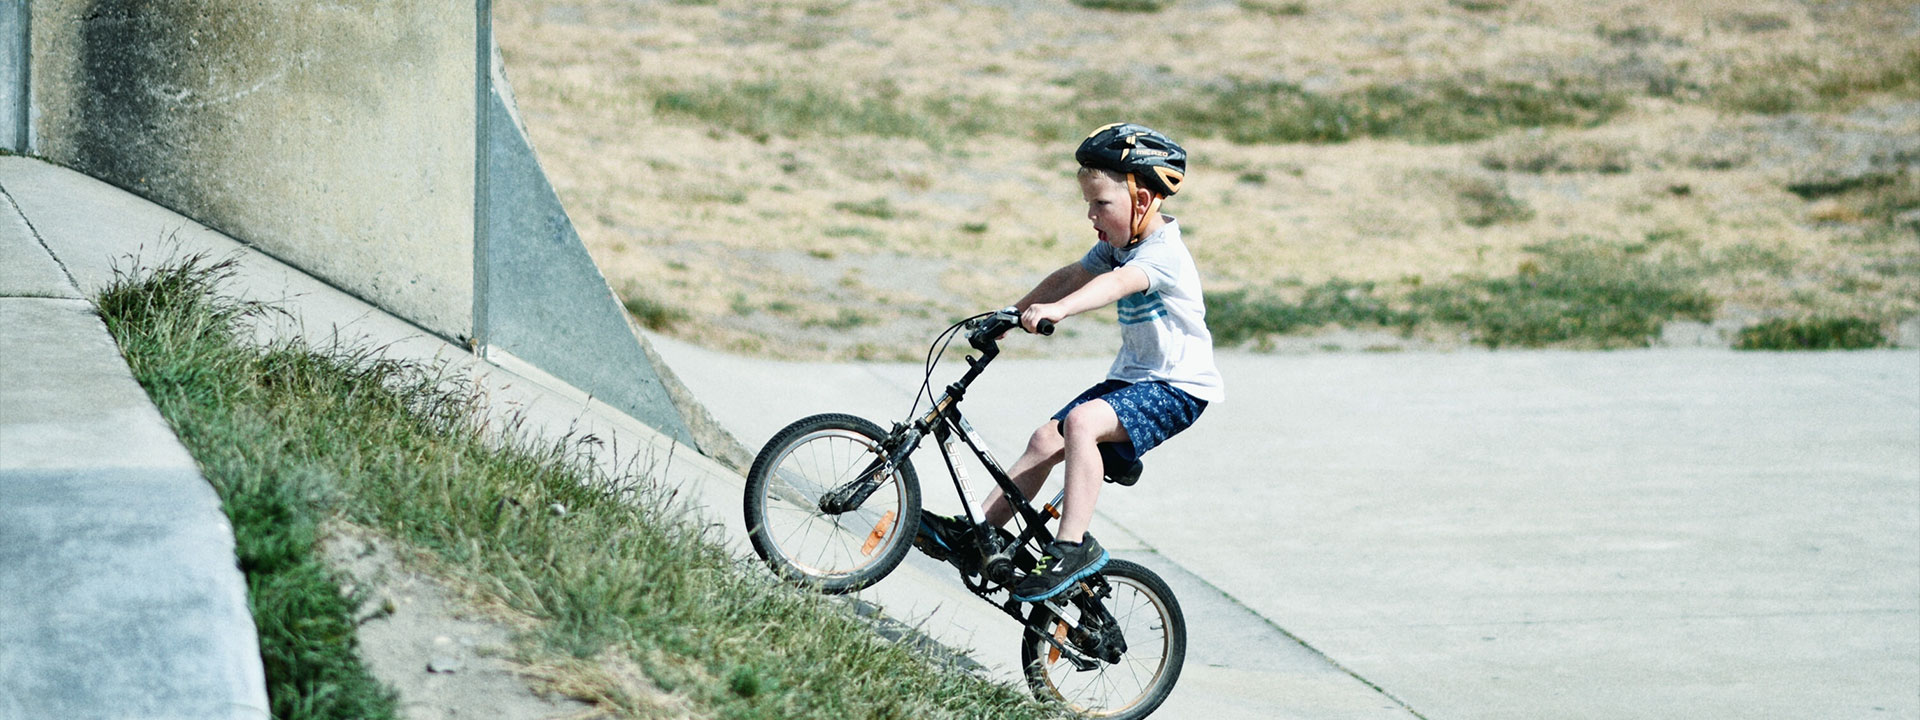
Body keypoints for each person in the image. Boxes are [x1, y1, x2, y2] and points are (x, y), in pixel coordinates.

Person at [918, 123, 1224, 602]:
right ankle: (979, 533)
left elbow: (1112, 285)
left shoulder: (1164, 254)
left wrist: (1059, 311)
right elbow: (1073, 274)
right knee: (1046, 438)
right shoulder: (1118, 246)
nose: (1090, 214)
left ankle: (1071, 548)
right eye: (1088, 204)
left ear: (1141, 202)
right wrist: (1011, 314)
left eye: (1101, 204)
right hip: (1133, 379)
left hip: (1178, 387)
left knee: (1081, 423)